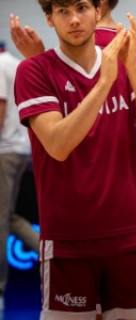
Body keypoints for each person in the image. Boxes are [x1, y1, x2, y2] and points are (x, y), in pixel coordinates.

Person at [15, 0, 136, 319]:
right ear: (49, 19)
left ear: (98, 12)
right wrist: (104, 83)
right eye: (62, 11)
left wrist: (132, 70)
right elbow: (57, 144)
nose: (73, 19)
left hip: (134, 234)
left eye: (82, 8)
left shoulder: (127, 62)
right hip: (69, 241)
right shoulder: (34, 71)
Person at [0, 40, 38, 314]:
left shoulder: (0, 66)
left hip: (5, 151)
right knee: (6, 215)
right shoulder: (16, 63)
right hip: (22, 149)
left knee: (0, 220)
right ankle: (52, 255)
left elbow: (0, 110)